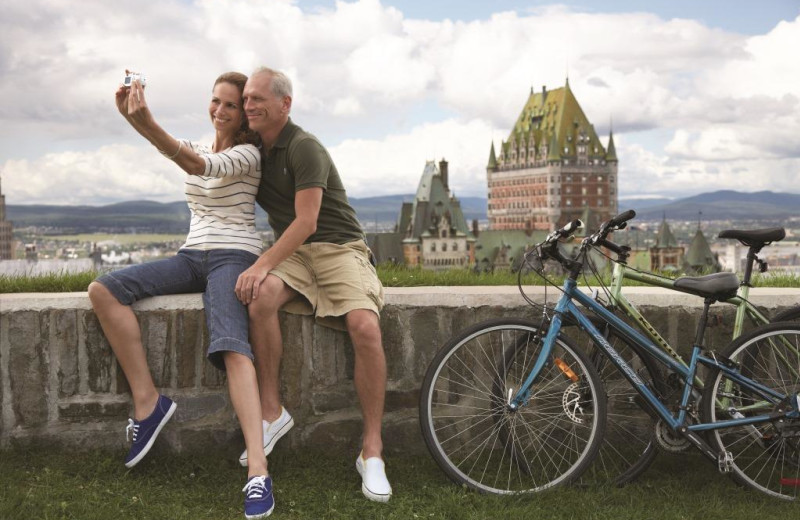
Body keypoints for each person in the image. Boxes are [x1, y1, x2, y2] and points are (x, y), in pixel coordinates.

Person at [88, 71, 275, 519]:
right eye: (215, 101)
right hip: (192, 254)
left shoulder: (249, 154)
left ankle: (258, 470)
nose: (220, 110)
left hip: (234, 255)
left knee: (231, 345)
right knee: (105, 290)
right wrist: (132, 117)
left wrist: (147, 122)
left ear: (245, 115)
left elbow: (197, 167)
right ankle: (148, 403)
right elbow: (184, 153)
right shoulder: (200, 142)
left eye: (230, 104)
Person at [234, 67, 392, 505]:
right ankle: (272, 412)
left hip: (339, 246)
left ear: (285, 104)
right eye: (246, 98)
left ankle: (372, 450)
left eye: (258, 98)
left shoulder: (304, 147)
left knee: (364, 326)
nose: (249, 105)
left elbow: (306, 221)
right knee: (261, 298)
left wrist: (260, 263)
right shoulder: (251, 151)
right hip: (299, 253)